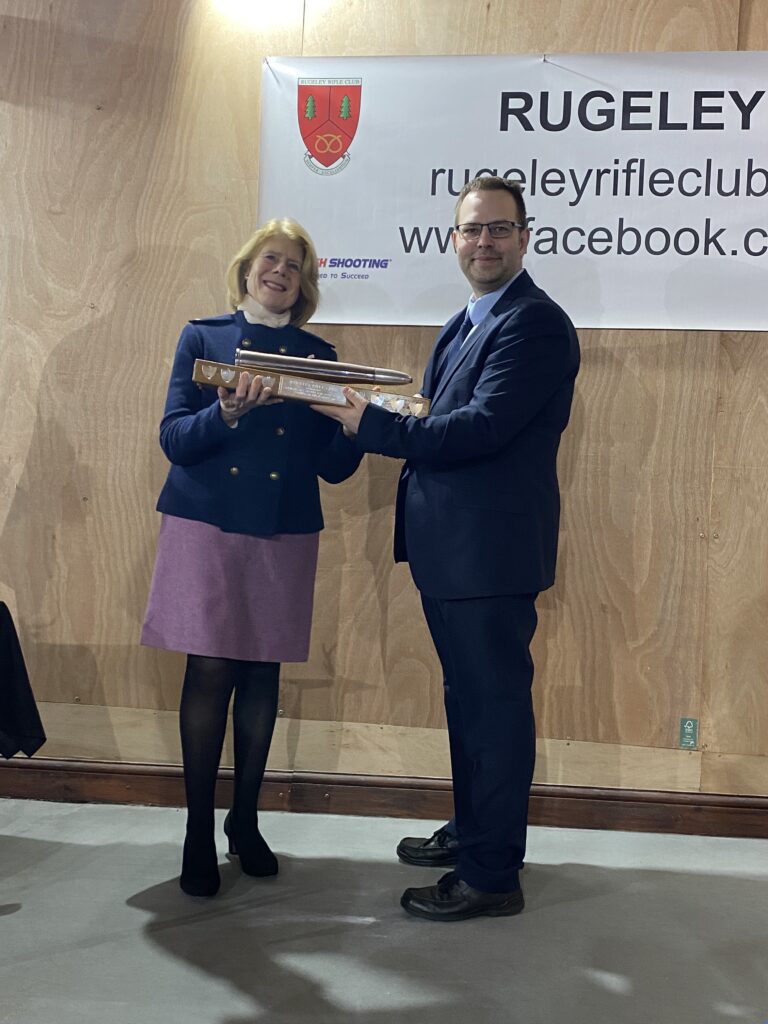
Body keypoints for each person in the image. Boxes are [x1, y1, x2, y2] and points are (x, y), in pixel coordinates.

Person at [313, 176, 579, 921]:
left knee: (492, 710)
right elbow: (445, 414)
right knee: (468, 704)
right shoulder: (469, 320)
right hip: (455, 553)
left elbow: (480, 431)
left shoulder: (534, 324)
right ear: (452, 239)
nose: (484, 242)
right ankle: (476, 833)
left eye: (499, 229)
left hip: (486, 557)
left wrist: (369, 423)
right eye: (471, 230)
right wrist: (377, 407)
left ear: (525, 237)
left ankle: (491, 876)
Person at [141, 219, 362, 898]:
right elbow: (175, 438)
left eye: (294, 266)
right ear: (246, 268)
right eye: (272, 260)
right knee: (209, 671)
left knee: (262, 673)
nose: (281, 273)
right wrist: (227, 414)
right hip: (207, 524)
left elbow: (333, 469)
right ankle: (198, 830)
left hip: (283, 528)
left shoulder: (318, 355)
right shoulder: (202, 338)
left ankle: (245, 819)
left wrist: (358, 429)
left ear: (306, 284)